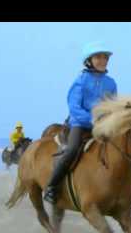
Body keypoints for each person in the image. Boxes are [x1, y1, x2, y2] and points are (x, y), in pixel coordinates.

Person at [43, 41, 117, 204]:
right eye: (98, 57)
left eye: (105, 57)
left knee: (123, 147)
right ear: (89, 60)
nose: (102, 60)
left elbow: (113, 106)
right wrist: (93, 120)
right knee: (71, 150)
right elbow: (74, 107)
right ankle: (51, 187)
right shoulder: (81, 81)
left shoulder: (111, 83)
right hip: (80, 124)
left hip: (102, 127)